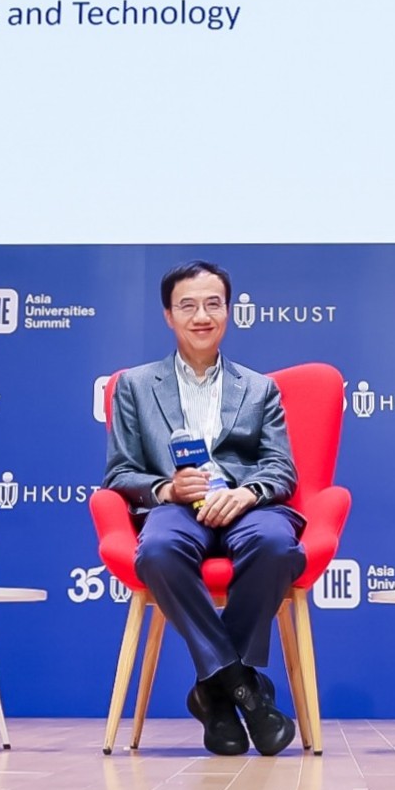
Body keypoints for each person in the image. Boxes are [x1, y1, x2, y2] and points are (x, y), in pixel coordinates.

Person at [103, 260, 304, 756]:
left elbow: (281, 468)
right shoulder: (134, 386)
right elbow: (120, 473)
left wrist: (248, 492)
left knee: (276, 544)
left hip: (245, 506)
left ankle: (212, 693)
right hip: (176, 507)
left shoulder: (259, 388)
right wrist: (167, 489)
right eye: (187, 305)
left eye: (213, 304)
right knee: (157, 551)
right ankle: (240, 686)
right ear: (168, 315)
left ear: (228, 312)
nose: (201, 316)